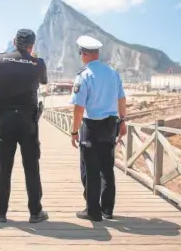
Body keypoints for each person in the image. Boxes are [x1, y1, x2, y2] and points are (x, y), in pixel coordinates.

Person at [0, 29, 48, 223]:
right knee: (31, 166)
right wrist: (32, 58)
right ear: (32, 45)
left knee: (4, 166)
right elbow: (43, 81)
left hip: (5, 120)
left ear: (15, 41)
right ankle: (35, 212)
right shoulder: (38, 63)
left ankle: (0, 212)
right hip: (28, 121)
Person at [69, 35, 127, 222]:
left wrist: (74, 131)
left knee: (90, 169)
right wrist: (123, 121)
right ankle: (107, 209)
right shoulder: (113, 73)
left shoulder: (83, 76)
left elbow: (79, 108)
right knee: (107, 168)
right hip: (111, 125)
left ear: (84, 55)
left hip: (92, 126)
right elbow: (121, 99)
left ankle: (93, 211)